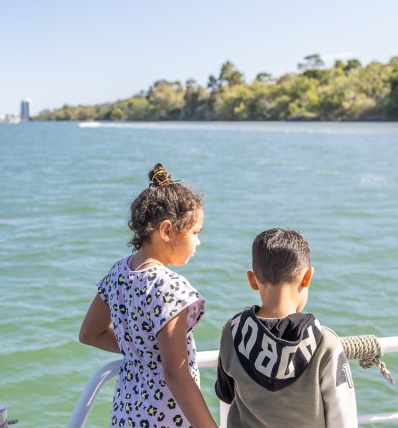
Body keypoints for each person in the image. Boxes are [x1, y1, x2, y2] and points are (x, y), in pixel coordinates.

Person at [79, 163, 218, 428]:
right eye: (195, 233)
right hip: (165, 419)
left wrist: (142, 351)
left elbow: (90, 334)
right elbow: (176, 373)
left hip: (126, 415)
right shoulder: (171, 288)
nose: (198, 242)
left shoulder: (118, 273)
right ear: (166, 231)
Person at [214, 228, 358, 428]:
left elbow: (226, 399)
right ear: (307, 277)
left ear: (252, 280)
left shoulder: (232, 334)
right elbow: (344, 420)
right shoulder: (325, 344)